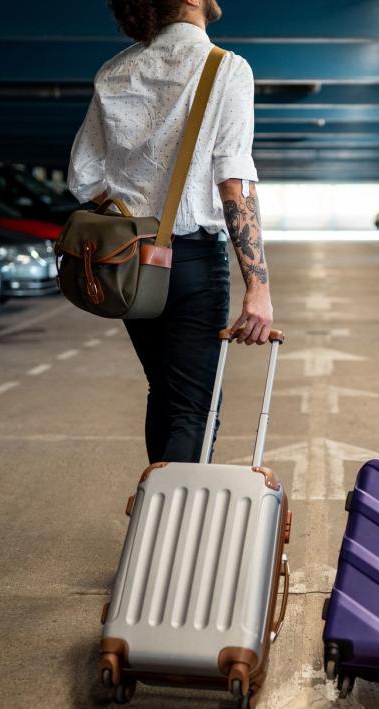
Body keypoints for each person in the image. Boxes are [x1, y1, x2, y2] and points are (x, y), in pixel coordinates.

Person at [67, 0, 274, 464]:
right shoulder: (227, 68)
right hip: (192, 263)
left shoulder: (115, 71)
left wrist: (134, 212)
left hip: (129, 262)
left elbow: (83, 175)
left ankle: (153, 523)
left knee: (162, 390)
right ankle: (172, 529)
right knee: (193, 411)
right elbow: (234, 183)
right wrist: (258, 287)